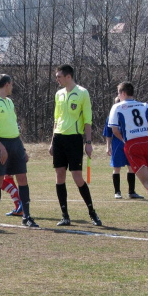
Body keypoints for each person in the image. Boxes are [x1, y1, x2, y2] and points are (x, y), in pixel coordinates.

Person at [0, 74, 38, 227]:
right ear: (7, 84)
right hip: (1, 144)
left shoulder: (9, 102)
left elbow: (13, 126)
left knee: (22, 178)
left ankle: (26, 216)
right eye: (11, 85)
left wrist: (22, 149)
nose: (12, 88)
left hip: (16, 143)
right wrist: (1, 148)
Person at [50, 64, 102, 227]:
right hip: (59, 138)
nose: (57, 79)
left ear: (68, 76)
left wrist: (88, 142)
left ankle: (92, 212)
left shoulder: (82, 93)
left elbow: (87, 120)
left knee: (77, 177)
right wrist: (52, 141)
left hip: (74, 139)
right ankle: (65, 215)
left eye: (59, 76)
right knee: (59, 175)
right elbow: (56, 118)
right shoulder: (58, 94)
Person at [107, 82, 148, 209]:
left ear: (123, 93)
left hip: (132, 144)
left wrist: (125, 141)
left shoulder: (117, 107)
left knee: (145, 181)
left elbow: (114, 130)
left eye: (119, 93)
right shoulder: (144, 105)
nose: (118, 96)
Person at [0, 87, 23, 217]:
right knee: (7, 177)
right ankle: (19, 205)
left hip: (7, 149)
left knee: (0, 179)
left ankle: (18, 202)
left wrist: (22, 150)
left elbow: (16, 134)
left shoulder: (5, 111)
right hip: (5, 147)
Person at [103, 97, 144, 200]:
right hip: (117, 145)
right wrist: (108, 146)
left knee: (131, 167)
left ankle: (131, 192)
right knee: (117, 168)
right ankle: (117, 192)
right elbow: (108, 134)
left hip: (130, 144)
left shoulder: (128, 115)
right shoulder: (111, 117)